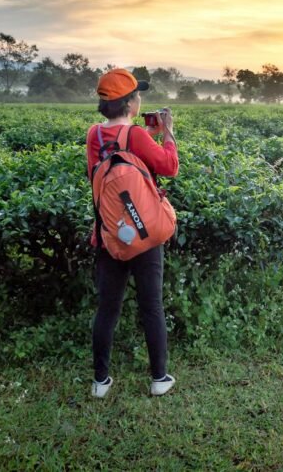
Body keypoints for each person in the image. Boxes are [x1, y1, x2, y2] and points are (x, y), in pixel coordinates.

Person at [86, 68, 179, 398]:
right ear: (129, 103)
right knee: (151, 306)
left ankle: (100, 382)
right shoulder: (137, 135)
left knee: (107, 309)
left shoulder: (94, 135)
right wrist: (166, 133)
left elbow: (99, 179)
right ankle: (158, 378)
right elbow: (169, 167)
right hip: (143, 235)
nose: (140, 99)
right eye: (137, 95)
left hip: (109, 233)